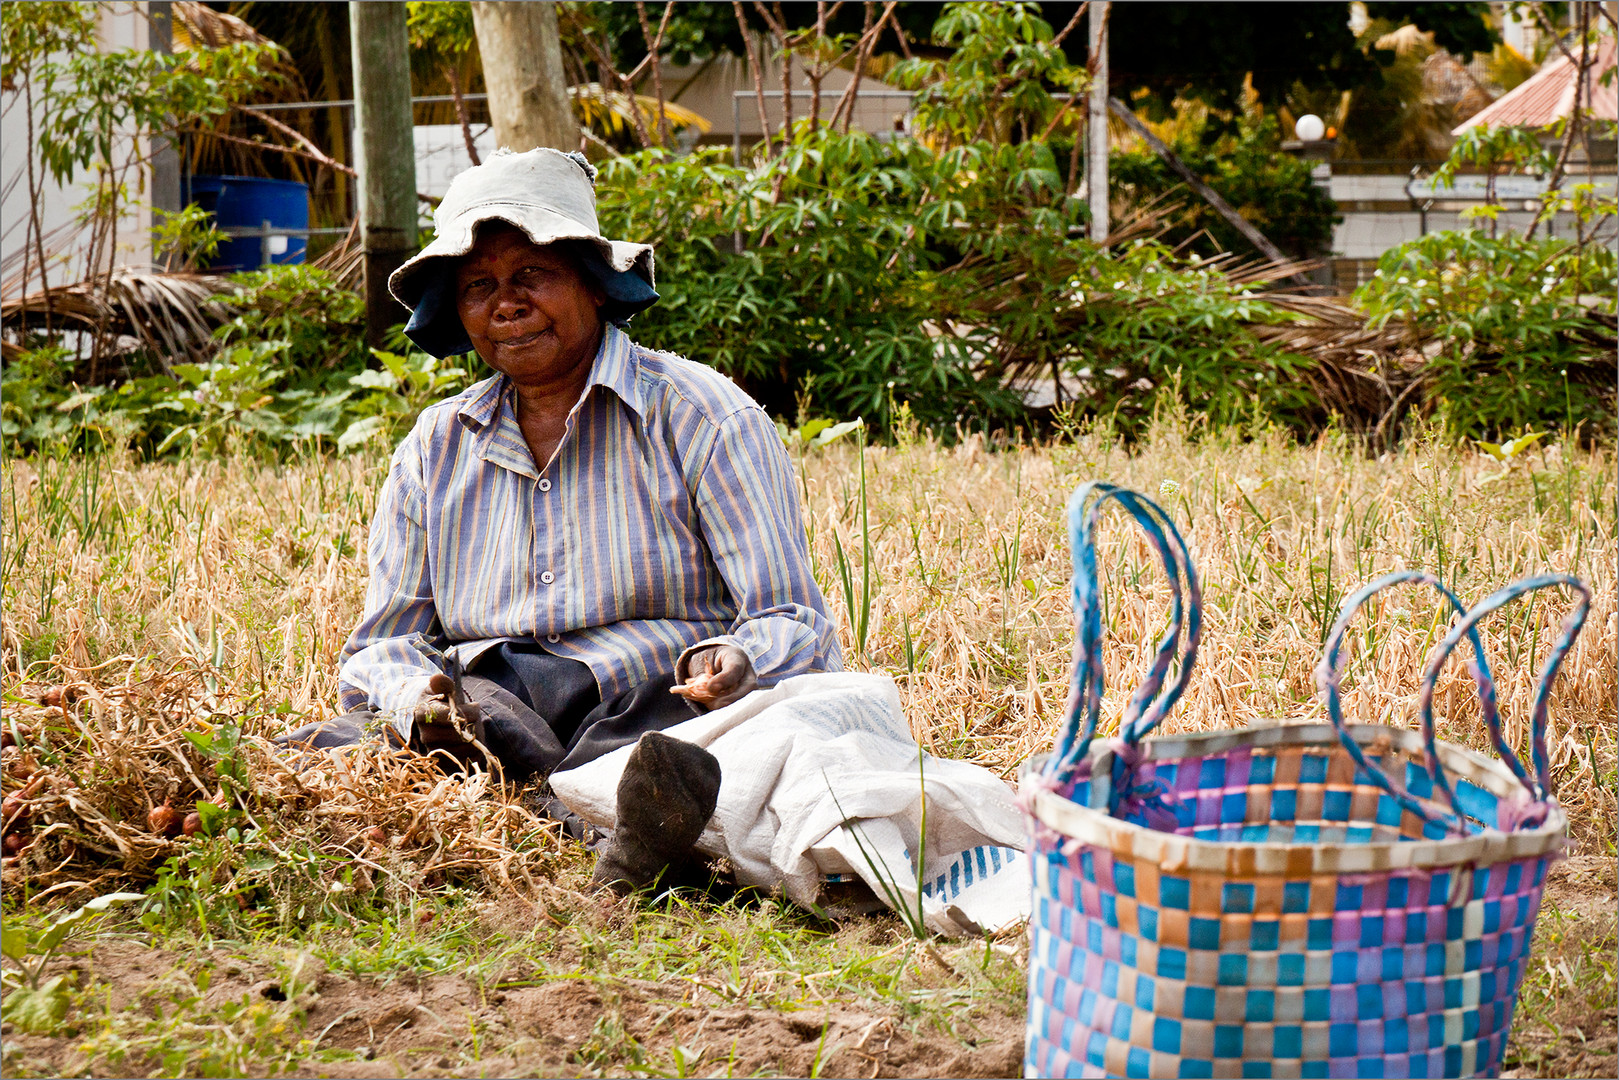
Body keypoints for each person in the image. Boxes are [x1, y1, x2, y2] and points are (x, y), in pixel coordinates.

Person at [280, 147, 842, 891]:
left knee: (697, 757)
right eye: (478, 287)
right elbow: (383, 643)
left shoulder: (704, 416)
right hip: (489, 707)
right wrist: (422, 700)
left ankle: (616, 822)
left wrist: (736, 664)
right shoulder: (435, 447)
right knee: (311, 759)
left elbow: (790, 617)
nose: (504, 305)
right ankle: (603, 829)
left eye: (531, 277)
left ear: (597, 288)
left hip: (648, 700)